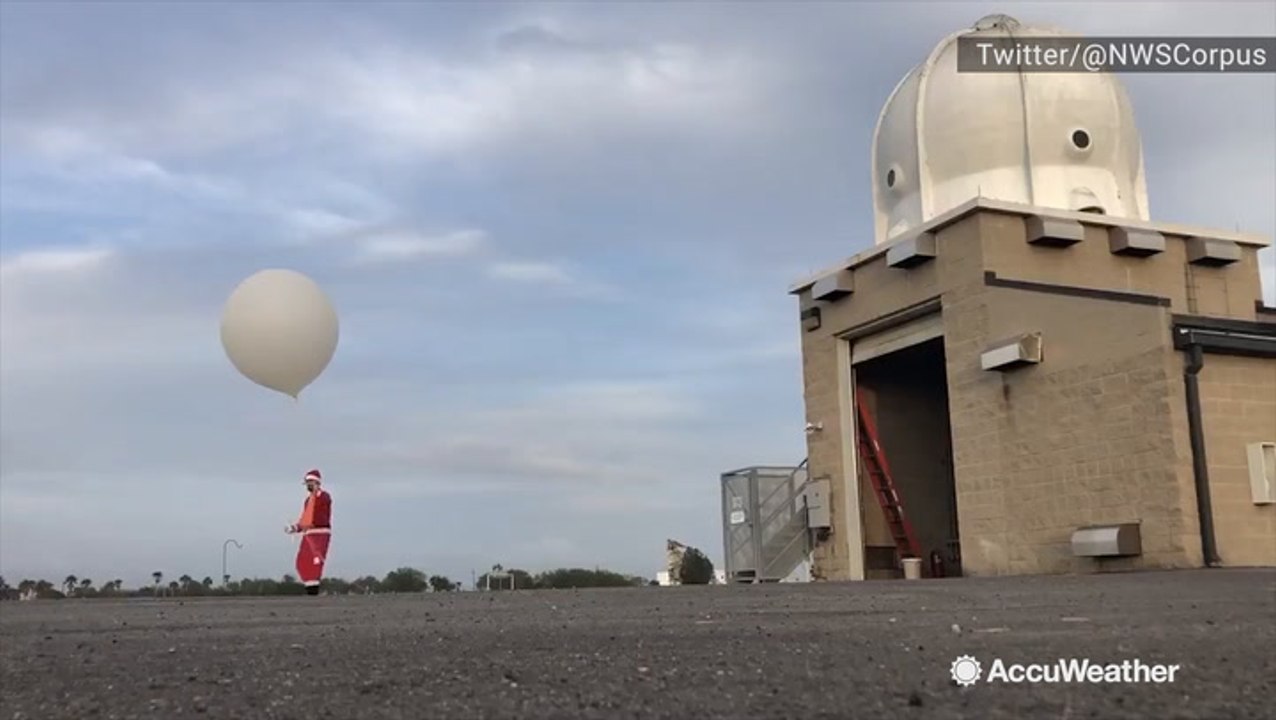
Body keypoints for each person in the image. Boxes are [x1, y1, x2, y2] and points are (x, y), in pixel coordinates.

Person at [285, 469, 332, 596]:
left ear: (316, 482)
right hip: (309, 534)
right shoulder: (308, 500)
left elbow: (318, 515)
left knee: (315, 562)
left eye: (309, 482)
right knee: (303, 562)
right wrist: (295, 528)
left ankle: (313, 592)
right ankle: (311, 589)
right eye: (306, 483)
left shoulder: (323, 496)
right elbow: (305, 518)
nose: (307, 485)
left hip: (320, 533)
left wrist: (316, 494)